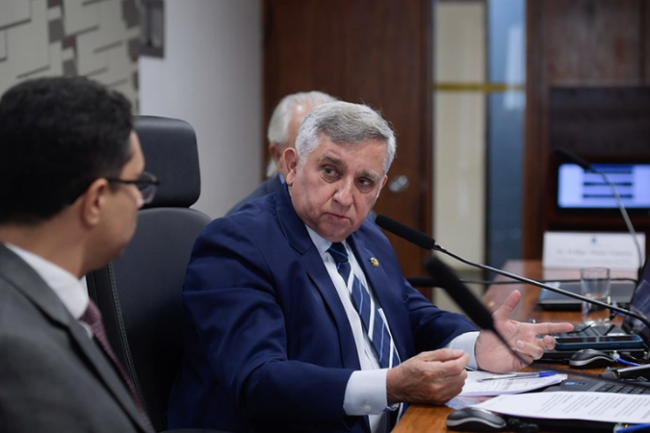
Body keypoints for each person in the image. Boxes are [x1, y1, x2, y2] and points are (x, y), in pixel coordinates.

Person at [167, 101, 573, 433]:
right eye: (330, 171)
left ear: (380, 186)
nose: (345, 197)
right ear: (291, 166)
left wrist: (476, 346)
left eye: (364, 182)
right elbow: (259, 381)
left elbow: (411, 315)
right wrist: (390, 386)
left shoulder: (366, 236)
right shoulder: (238, 243)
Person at [0, 77, 158, 432]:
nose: (139, 200)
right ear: (96, 200)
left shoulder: (33, 302)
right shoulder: (17, 354)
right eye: (136, 183)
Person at [226, 90, 336, 215]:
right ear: (278, 156)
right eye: (307, 148)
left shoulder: (347, 209)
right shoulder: (245, 220)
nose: (325, 160)